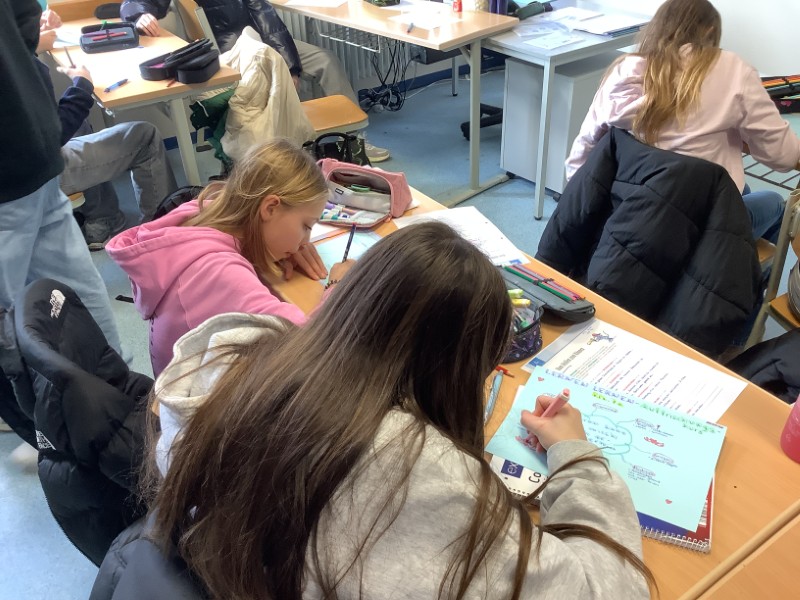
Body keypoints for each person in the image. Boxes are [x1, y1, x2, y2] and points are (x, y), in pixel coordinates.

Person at [133, 221, 653, 599]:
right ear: (453, 369)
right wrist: (576, 456)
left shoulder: (240, 363)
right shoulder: (412, 472)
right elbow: (608, 590)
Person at [106, 139, 352, 376]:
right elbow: (309, 345)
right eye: (306, 226)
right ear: (270, 208)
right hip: (198, 399)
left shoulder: (203, 212)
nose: (305, 241)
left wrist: (269, 251)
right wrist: (341, 286)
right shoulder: (218, 272)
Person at [565, 0, 800, 244]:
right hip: (692, 232)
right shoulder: (732, 72)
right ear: (709, 32)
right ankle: (740, 264)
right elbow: (783, 156)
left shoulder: (623, 70)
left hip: (627, 212)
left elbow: (584, 148)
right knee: (775, 203)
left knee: (743, 189)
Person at [0, 0, 125, 459]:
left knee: (8, 327)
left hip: (10, 172)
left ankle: (48, 439)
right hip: (34, 149)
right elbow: (24, 22)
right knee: (78, 295)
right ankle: (123, 400)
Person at [119, 0, 391, 162]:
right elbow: (135, 2)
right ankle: (298, 149)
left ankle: (354, 140)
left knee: (325, 60)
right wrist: (140, 14)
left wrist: (291, 66)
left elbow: (267, 19)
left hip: (264, 41)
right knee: (272, 85)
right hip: (233, 53)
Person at [36, 10, 177, 249]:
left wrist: (32, 43)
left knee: (80, 124)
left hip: (21, 163)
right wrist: (82, 86)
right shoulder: (14, 67)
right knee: (145, 137)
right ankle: (156, 241)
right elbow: (51, 134)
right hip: (36, 171)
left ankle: (103, 218)